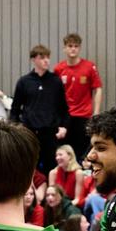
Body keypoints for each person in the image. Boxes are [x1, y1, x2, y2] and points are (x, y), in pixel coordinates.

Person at [10, 45, 70, 173]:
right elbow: (15, 108)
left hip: (50, 133)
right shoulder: (24, 82)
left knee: (52, 168)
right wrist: (15, 128)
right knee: (29, 167)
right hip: (30, 132)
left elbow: (63, 107)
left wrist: (64, 126)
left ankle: (51, 192)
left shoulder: (55, 81)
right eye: (42, 57)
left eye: (48, 57)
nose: (46, 60)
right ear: (33, 59)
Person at [52, 33, 101, 162]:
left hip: (83, 116)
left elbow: (98, 88)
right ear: (64, 48)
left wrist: (95, 113)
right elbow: (54, 94)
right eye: (70, 46)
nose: (73, 49)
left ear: (79, 48)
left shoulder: (89, 67)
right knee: (64, 151)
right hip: (65, 117)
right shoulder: (58, 69)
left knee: (82, 152)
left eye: (76, 46)